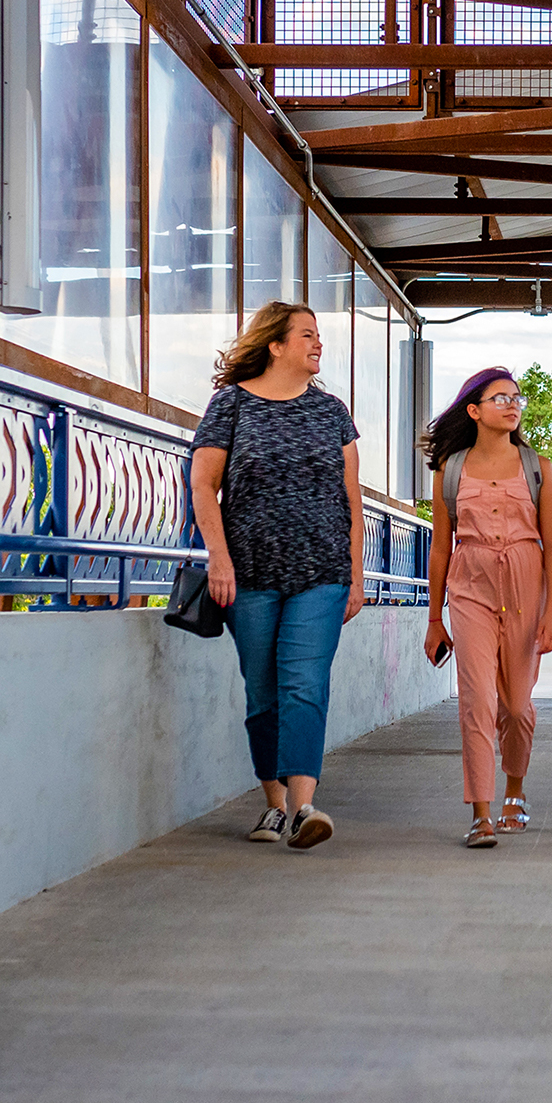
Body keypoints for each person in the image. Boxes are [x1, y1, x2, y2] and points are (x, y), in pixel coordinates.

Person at [191, 300, 365, 852]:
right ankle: (273, 804)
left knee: (304, 685)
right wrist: (218, 558)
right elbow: (203, 486)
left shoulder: (332, 412)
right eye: (308, 335)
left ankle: (303, 806)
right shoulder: (231, 406)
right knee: (263, 693)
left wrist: (357, 576)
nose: (319, 344)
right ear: (276, 344)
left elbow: (352, 500)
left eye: (320, 336)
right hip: (249, 575)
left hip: (322, 570)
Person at [423, 369, 552, 849]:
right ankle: (481, 812)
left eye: (516, 397)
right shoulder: (452, 469)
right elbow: (441, 549)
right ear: (474, 410)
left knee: (516, 706)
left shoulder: (538, 467)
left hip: (527, 584)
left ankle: (515, 790)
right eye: (499, 397)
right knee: (477, 700)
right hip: (470, 585)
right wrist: (433, 618)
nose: (512, 404)